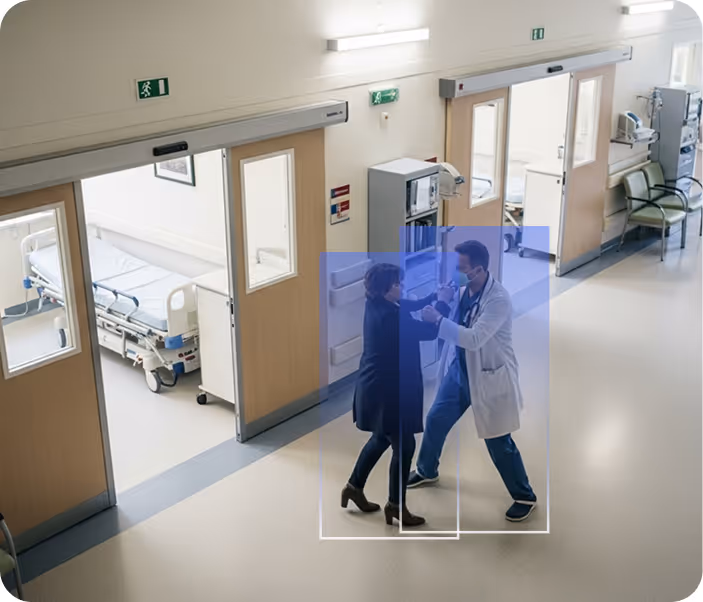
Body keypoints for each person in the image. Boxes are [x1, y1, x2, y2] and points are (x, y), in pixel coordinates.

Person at [408, 240, 537, 522]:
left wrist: (439, 319)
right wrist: (442, 299)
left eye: (461, 268)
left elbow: (474, 338)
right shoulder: (465, 291)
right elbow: (457, 322)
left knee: (498, 442)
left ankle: (524, 496)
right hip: (460, 371)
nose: (456, 272)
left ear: (478, 269)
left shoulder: (498, 299)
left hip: (489, 375)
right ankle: (427, 469)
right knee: (436, 419)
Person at [341, 263, 452, 527]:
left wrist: (433, 297)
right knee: (405, 445)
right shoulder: (391, 318)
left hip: (377, 386)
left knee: (381, 438)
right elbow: (429, 331)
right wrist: (444, 306)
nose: (402, 287)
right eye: (398, 284)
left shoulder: (377, 304)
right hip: (388, 392)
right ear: (385, 289)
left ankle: (354, 487)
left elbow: (407, 306)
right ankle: (396, 506)